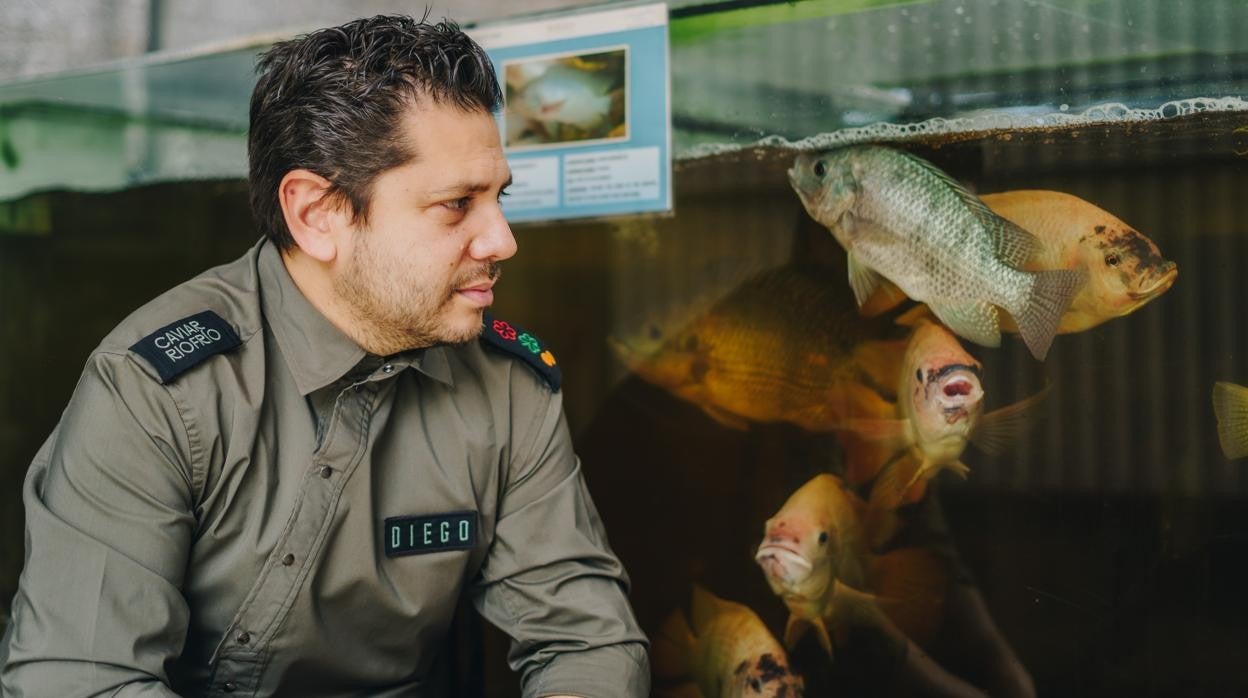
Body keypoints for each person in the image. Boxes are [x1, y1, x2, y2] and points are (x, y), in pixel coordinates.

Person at [0, 14, 648, 697]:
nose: (502, 240)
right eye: (457, 205)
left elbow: (587, 639)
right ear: (317, 215)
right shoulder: (156, 391)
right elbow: (79, 681)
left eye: (498, 197)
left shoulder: (507, 388)